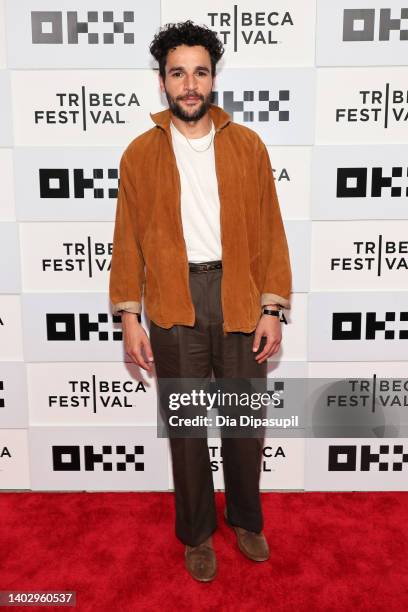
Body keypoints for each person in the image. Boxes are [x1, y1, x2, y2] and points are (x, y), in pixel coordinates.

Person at [109, 20, 292, 582]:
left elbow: (271, 230)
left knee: (243, 423)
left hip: (238, 296)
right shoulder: (140, 154)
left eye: (200, 72)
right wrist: (129, 316)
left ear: (214, 78)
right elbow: (127, 241)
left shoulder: (248, 145)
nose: (190, 84)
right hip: (172, 303)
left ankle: (244, 518)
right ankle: (194, 533)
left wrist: (272, 307)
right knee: (186, 430)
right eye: (177, 73)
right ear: (163, 81)